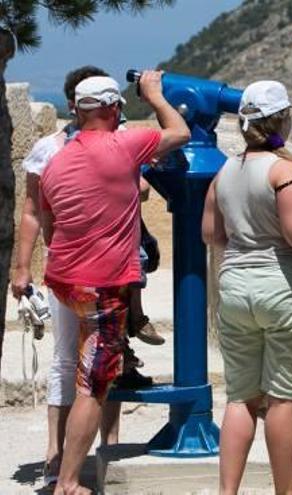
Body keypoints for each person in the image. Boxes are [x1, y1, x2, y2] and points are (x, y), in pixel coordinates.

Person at [40, 71, 190, 495]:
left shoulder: (56, 162)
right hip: (102, 286)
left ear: (75, 109)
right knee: (93, 385)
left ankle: (64, 468)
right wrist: (154, 95)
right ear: (112, 109)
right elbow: (177, 131)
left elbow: (50, 230)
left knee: (84, 368)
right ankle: (68, 483)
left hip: (65, 280)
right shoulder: (124, 144)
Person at [10, 65, 153, 486]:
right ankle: (59, 460)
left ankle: (107, 446)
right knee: (71, 364)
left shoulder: (102, 146)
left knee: (104, 363)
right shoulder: (49, 149)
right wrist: (21, 268)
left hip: (86, 273)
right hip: (84, 275)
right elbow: (33, 212)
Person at [201, 81, 292, 495]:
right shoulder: (285, 171)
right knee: (283, 398)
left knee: (240, 397)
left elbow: (211, 232)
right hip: (283, 291)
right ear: (282, 119)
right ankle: (287, 492)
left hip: (235, 291)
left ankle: (227, 491)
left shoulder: (225, 171)